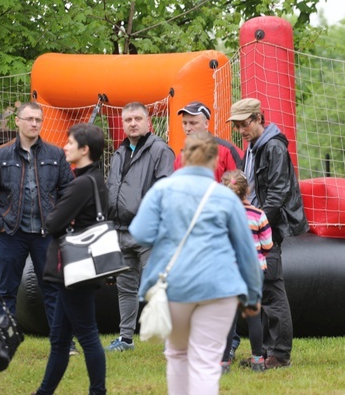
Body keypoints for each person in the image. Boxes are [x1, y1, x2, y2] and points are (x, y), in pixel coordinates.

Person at [130, 132, 262, 394]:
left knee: (178, 355)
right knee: (206, 362)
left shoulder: (162, 191)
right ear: (215, 161)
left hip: (175, 286)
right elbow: (247, 252)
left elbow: (140, 233)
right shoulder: (226, 199)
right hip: (220, 288)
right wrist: (253, 296)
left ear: (182, 157)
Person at [0, 102, 75, 337]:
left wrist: (61, 222)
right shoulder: (0, 155)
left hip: (46, 234)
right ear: (17, 121)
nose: (34, 124)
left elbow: (69, 190)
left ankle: (62, 341)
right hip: (11, 232)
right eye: (29, 119)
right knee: (7, 289)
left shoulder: (55, 154)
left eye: (38, 120)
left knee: (53, 288)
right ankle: (6, 339)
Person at [228, 97, 309, 369]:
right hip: (254, 225)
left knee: (272, 290)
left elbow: (277, 193)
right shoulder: (253, 147)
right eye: (237, 126)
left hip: (267, 228)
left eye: (244, 124)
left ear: (258, 118)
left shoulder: (273, 147)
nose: (241, 130)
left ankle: (279, 355)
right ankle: (261, 353)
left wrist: (254, 221)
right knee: (259, 290)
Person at [33, 123, 108, 395]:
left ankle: (98, 391)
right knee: (60, 339)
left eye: (70, 142)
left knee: (87, 335)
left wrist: (57, 217)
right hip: (81, 267)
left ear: (85, 149)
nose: (65, 146)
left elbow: (53, 223)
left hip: (74, 269)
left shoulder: (81, 184)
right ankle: (43, 392)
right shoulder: (96, 179)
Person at [106, 102, 175, 352]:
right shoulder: (119, 153)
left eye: (137, 118)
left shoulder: (160, 150)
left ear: (149, 122)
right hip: (121, 230)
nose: (132, 123)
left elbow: (165, 190)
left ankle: (173, 341)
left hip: (148, 233)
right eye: (128, 119)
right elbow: (111, 189)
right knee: (125, 287)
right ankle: (126, 339)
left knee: (158, 287)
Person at [219, 169, 273, 374]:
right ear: (247, 189)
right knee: (253, 316)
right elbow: (267, 245)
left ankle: (223, 363)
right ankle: (258, 360)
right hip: (253, 271)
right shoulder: (259, 215)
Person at [173, 101, 244, 182]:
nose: (188, 128)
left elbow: (240, 185)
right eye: (184, 123)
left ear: (206, 124)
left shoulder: (226, 150)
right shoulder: (180, 158)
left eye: (193, 123)